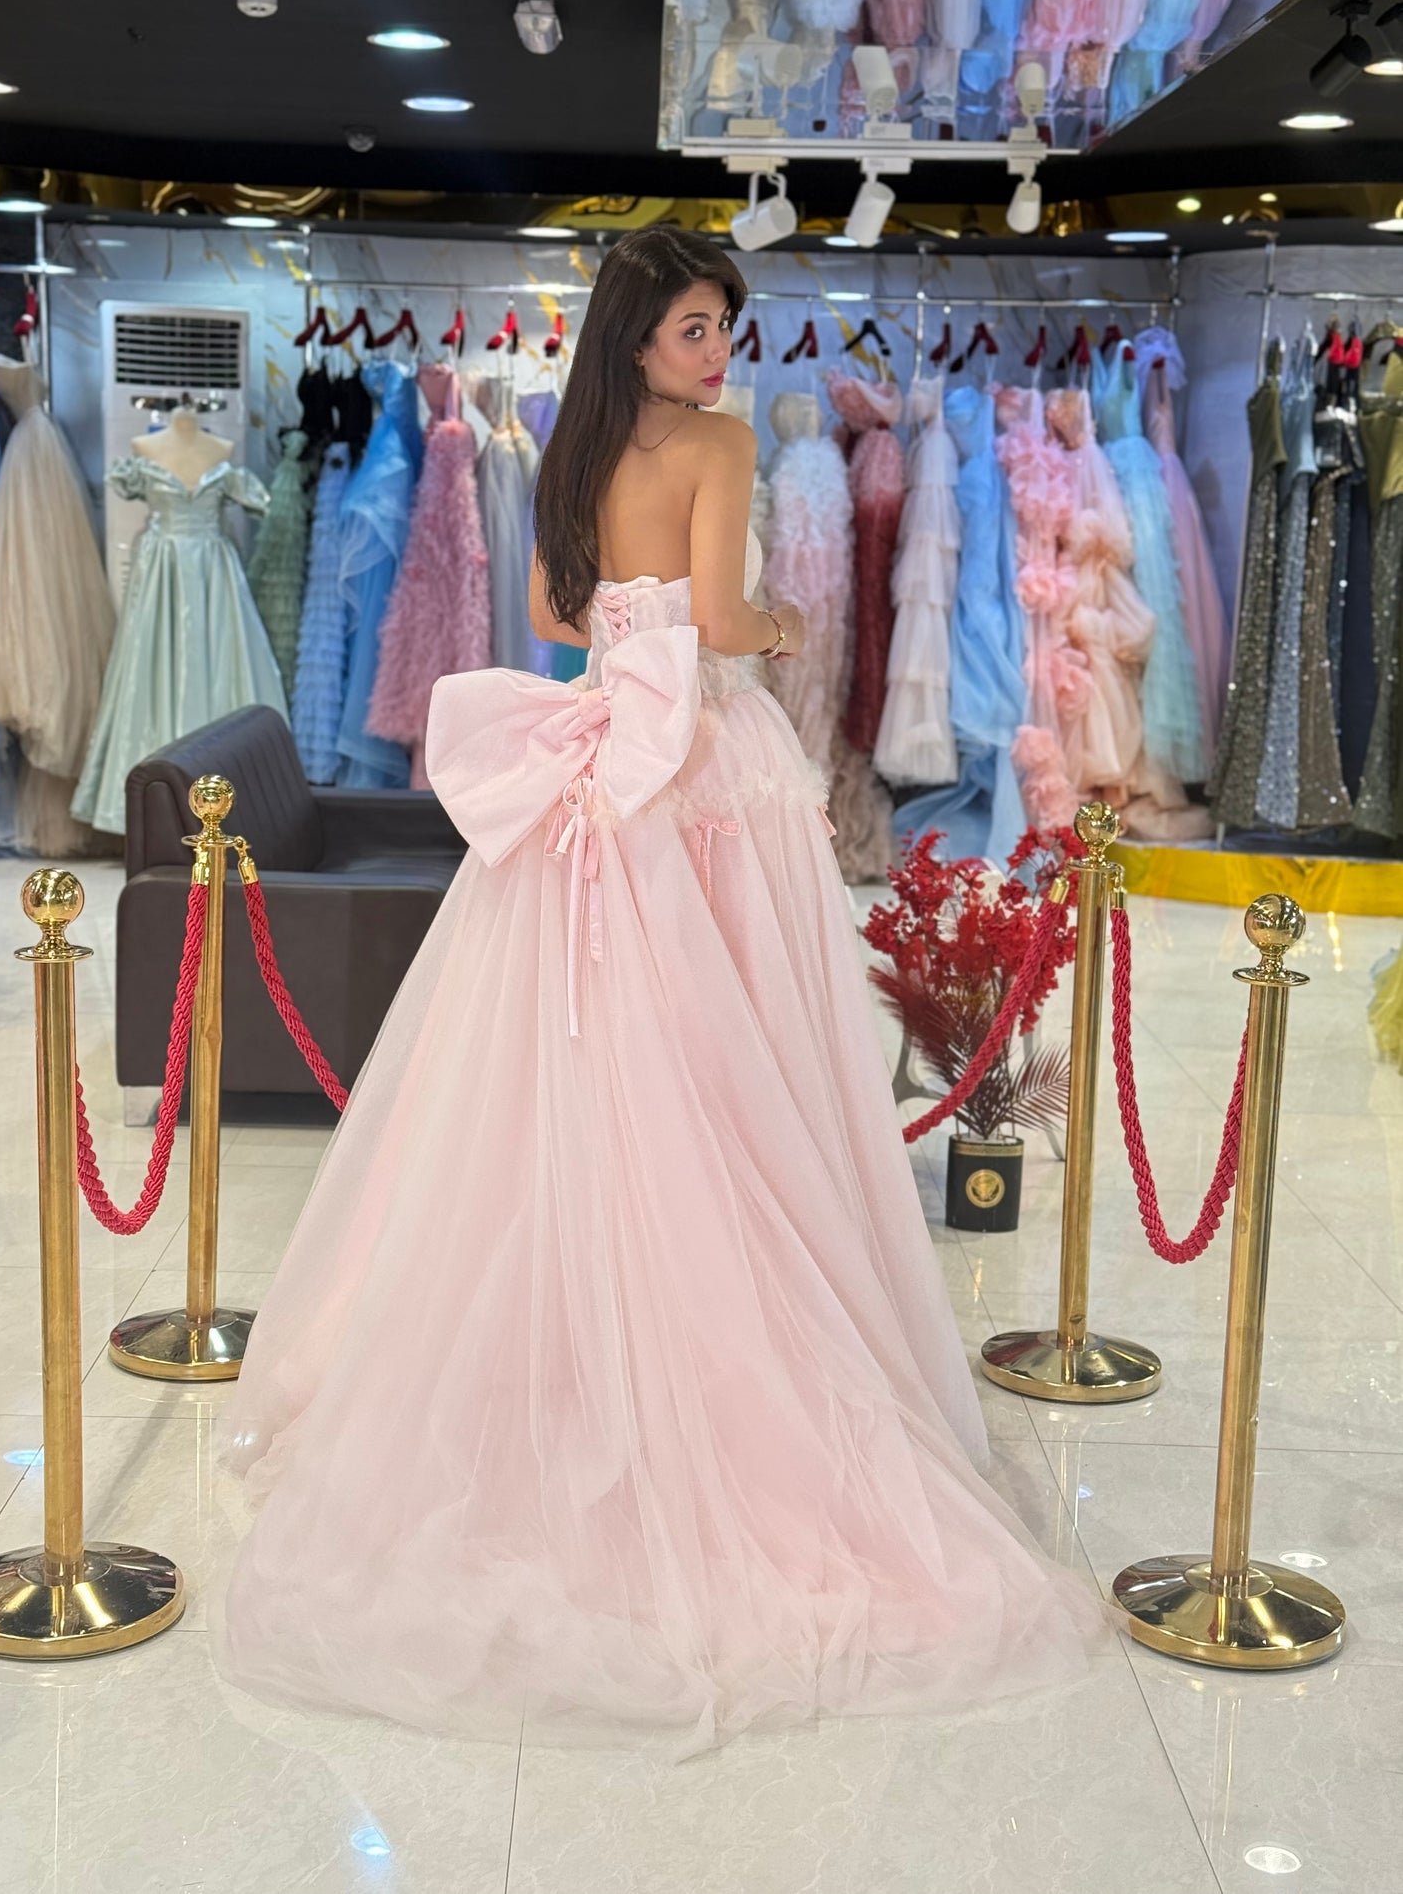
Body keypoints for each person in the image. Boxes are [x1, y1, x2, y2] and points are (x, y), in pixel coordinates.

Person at [211, 227, 1112, 1764]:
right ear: (643, 333)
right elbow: (708, 619)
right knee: (732, 1047)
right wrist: (773, 623)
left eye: (720, 329)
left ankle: (553, 1342)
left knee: (559, 1055)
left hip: (591, 753)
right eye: (698, 328)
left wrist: (652, 626)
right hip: (696, 759)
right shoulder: (707, 448)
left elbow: (566, 621)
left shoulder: (575, 447)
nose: (717, 357)